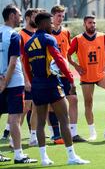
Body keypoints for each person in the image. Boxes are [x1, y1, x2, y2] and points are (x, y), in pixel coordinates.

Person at [23, 12, 89, 165]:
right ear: (43, 23)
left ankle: (44, 158)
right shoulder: (48, 39)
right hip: (52, 84)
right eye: (50, 22)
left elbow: (27, 66)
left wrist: (34, 83)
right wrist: (71, 79)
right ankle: (71, 156)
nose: (52, 25)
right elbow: (59, 59)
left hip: (38, 86)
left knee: (40, 123)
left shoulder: (28, 44)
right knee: (64, 120)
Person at [68, 15, 105, 141]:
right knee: (88, 103)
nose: (93, 25)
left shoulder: (102, 36)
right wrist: (76, 66)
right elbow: (67, 55)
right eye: (90, 23)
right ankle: (92, 132)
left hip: (100, 74)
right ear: (84, 24)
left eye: (94, 23)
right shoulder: (78, 39)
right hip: (86, 76)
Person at [0, 4, 37, 164]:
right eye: (19, 14)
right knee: (15, 119)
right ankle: (18, 154)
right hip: (13, 82)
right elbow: (13, 62)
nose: (21, 17)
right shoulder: (14, 36)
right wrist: (5, 83)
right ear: (11, 16)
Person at [50, 5, 86, 142]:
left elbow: (68, 54)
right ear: (52, 16)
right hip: (52, 75)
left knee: (74, 100)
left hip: (65, 73)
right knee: (53, 105)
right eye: (58, 16)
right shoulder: (47, 33)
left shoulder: (66, 32)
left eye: (62, 16)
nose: (60, 18)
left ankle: (73, 133)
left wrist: (75, 66)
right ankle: (55, 133)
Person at [18, 8, 39, 146]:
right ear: (27, 18)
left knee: (37, 106)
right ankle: (15, 137)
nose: (37, 20)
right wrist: (25, 79)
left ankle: (33, 136)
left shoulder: (39, 34)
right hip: (27, 78)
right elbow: (19, 59)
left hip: (39, 77)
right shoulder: (20, 35)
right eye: (34, 17)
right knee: (24, 108)